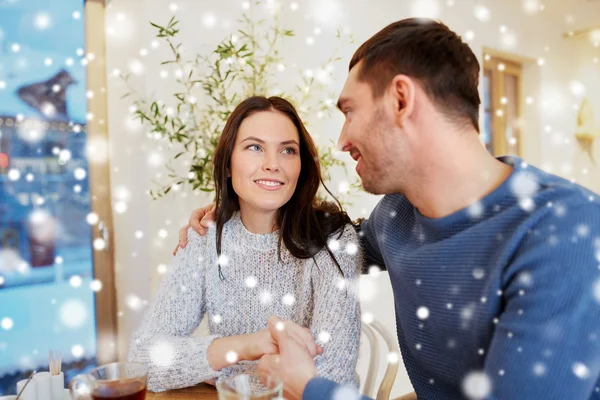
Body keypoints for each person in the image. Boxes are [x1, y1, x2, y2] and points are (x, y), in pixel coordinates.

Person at [175, 18, 600, 400]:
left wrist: (308, 386)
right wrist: (241, 210)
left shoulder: (565, 232)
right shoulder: (397, 215)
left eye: (349, 111)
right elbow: (322, 244)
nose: (341, 141)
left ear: (401, 99)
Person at [130, 96, 362, 393]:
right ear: (227, 164)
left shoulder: (335, 241)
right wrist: (247, 345)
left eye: (288, 150)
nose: (272, 165)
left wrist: (211, 365)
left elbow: (331, 379)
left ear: (301, 167)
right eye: (255, 147)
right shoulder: (205, 239)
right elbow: (144, 362)